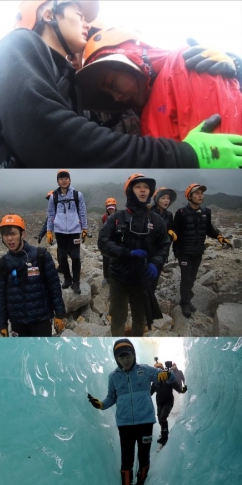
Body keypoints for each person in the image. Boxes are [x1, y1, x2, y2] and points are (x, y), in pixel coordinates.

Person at [0, 2, 242, 169]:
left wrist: (233, 73)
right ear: (49, 14)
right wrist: (184, 156)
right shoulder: (18, 44)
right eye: (79, 14)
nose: (86, 24)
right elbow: (50, 136)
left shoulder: (76, 98)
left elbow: (107, 142)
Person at [76, 26, 242, 162]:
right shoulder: (142, 113)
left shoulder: (183, 64)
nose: (116, 98)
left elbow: (226, 148)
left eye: (112, 84)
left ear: (130, 57)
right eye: (108, 94)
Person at [87, 339, 176, 485]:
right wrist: (101, 405)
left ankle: (141, 481)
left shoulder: (145, 370)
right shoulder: (113, 377)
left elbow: (169, 379)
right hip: (125, 425)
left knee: (143, 456)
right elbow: (111, 397)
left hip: (145, 423)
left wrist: (167, 375)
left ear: (133, 355)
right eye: (121, 357)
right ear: (116, 359)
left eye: (128, 356)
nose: (125, 360)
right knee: (126, 460)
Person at [98, 174, 170, 336]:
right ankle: (118, 342)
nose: (143, 190)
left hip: (142, 279)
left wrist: (156, 262)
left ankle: (137, 344)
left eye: (146, 187)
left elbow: (164, 245)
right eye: (138, 187)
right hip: (118, 278)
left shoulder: (157, 220)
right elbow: (103, 242)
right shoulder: (117, 218)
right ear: (130, 191)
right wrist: (127, 253)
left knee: (141, 317)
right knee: (118, 317)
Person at [0, 213, 66, 336]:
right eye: (5, 235)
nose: (9, 239)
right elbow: (1, 297)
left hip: (41, 319)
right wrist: (2, 324)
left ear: (22, 234)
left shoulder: (41, 256)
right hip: (18, 322)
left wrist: (59, 314)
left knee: (43, 354)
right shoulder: (3, 263)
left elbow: (54, 287)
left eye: (13, 233)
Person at [172, 183, 232, 317]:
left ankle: (184, 299)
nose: (200, 196)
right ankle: (185, 303)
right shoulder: (181, 213)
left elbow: (209, 229)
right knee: (186, 278)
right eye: (197, 193)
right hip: (184, 252)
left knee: (192, 278)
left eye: (201, 193)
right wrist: (173, 248)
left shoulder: (206, 212)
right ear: (189, 196)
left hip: (198, 251)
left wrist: (219, 237)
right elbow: (173, 231)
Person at [46, 169, 88, 294]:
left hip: (74, 230)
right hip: (60, 231)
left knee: (75, 257)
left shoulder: (77, 195)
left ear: (70, 180)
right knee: (62, 257)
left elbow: (82, 212)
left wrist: (84, 228)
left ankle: (76, 282)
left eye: (66, 178)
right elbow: (50, 214)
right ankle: (67, 279)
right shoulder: (53, 196)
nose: (64, 180)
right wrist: (49, 231)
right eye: (61, 178)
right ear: (58, 181)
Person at [151, 362, 187, 446]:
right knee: (160, 419)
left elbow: (177, 387)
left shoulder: (169, 378)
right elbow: (150, 392)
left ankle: (165, 437)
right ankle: (164, 433)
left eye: (159, 368)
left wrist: (182, 390)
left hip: (168, 401)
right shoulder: (155, 381)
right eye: (156, 369)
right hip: (159, 402)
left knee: (163, 417)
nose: (158, 370)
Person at [100, 197, 117, 287]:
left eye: (112, 207)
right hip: (106, 241)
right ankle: (106, 277)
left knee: (115, 260)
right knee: (106, 259)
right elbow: (101, 230)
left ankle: (114, 277)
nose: (111, 209)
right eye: (109, 207)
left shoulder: (119, 216)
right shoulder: (104, 217)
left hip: (116, 241)